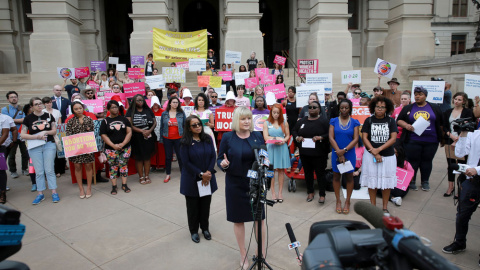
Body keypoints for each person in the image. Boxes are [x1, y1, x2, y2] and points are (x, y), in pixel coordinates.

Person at [217, 106, 265, 269]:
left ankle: (260, 252)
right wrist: (223, 164)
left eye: (248, 118)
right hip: (235, 184)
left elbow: (264, 158)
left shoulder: (257, 135)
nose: (246, 121)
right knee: (238, 220)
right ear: (236, 120)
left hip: (255, 184)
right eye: (243, 118)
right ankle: (243, 253)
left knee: (259, 218)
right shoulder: (228, 137)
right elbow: (219, 159)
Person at [441, 125, 480, 259]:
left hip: (476, 174)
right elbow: (459, 153)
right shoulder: (474, 134)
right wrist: (463, 134)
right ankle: (459, 242)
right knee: (462, 215)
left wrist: (478, 170)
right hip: (472, 182)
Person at [397, 86, 444, 191]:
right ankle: (412, 180)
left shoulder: (434, 107)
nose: (417, 97)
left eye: (420, 95)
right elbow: (399, 120)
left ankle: (425, 181)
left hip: (431, 140)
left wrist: (442, 138)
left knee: (427, 161)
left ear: (425, 96)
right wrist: (406, 126)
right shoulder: (408, 108)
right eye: (416, 95)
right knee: (412, 161)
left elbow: (440, 123)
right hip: (413, 140)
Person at [179, 115, 217, 243]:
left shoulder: (207, 139)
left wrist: (208, 172)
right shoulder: (185, 142)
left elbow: (213, 156)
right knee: (193, 207)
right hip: (192, 179)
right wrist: (201, 174)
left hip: (207, 177)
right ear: (189, 128)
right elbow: (186, 162)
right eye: (194, 125)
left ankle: (205, 228)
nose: (198, 127)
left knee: (205, 205)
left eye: (199, 124)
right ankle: (194, 231)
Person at [360, 96, 397, 213]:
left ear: (387, 109)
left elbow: (393, 138)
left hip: (388, 156)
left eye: (382, 107)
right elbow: (364, 137)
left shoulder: (391, 121)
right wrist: (374, 151)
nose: (380, 109)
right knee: (372, 182)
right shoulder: (368, 120)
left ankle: (385, 207)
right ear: (373, 107)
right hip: (371, 156)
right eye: (377, 107)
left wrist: (379, 149)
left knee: (386, 183)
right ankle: (373, 207)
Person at [21, 97, 60, 204]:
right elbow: (23, 134)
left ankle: (54, 192)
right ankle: (40, 194)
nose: (39, 105)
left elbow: (54, 131)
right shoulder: (28, 118)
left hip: (48, 144)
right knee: (39, 171)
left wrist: (45, 132)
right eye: (36, 104)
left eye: (40, 103)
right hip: (35, 146)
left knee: (49, 169)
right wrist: (37, 137)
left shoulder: (48, 115)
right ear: (32, 106)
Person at [292, 101, 330, 203]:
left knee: (320, 174)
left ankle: (322, 194)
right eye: (310, 107)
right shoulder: (302, 121)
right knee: (308, 174)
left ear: (319, 110)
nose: (312, 109)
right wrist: (297, 137)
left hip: (319, 154)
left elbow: (330, 134)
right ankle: (310, 192)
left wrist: (321, 137)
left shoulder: (324, 121)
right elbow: (294, 130)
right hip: (305, 154)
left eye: (314, 107)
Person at [329, 99, 360, 214]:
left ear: (350, 109)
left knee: (349, 177)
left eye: (346, 108)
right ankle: (338, 200)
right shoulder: (333, 121)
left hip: (349, 153)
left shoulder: (355, 122)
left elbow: (356, 138)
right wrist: (338, 151)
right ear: (339, 108)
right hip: (336, 152)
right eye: (342, 107)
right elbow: (331, 137)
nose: (344, 110)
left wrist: (345, 150)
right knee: (336, 176)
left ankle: (347, 201)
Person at [442, 92, 473, 197]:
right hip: (450, 140)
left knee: (461, 165)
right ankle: (450, 187)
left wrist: (459, 138)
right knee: (450, 165)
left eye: (459, 100)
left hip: (463, 141)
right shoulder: (448, 112)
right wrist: (451, 136)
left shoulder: (468, 112)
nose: (457, 101)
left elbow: (469, 126)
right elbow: (445, 126)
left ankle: (461, 187)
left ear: (464, 101)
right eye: (455, 99)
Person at [100, 100, 133, 195]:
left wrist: (123, 144)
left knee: (124, 166)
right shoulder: (105, 121)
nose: (115, 109)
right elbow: (103, 135)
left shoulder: (124, 119)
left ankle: (124, 184)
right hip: (111, 149)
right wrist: (113, 145)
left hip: (125, 147)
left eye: (116, 107)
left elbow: (129, 132)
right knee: (113, 167)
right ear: (108, 109)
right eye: (113, 107)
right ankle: (114, 186)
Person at [66, 101, 95, 199]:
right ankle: (81, 189)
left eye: (80, 108)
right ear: (73, 110)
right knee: (77, 167)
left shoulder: (89, 119)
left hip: (87, 148)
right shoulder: (70, 121)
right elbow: (68, 136)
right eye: (76, 109)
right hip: (76, 150)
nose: (79, 110)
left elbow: (92, 133)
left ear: (83, 108)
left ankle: (89, 188)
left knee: (88, 166)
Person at [126, 94, 157, 185]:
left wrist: (149, 131)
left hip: (148, 136)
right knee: (139, 158)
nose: (140, 102)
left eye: (142, 100)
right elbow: (129, 124)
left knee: (147, 157)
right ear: (134, 101)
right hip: (136, 138)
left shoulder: (148, 110)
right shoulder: (130, 111)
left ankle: (147, 175)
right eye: (138, 100)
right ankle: (141, 176)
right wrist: (141, 131)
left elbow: (154, 122)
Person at [263, 104, 290, 202]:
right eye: (274, 112)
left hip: (281, 147)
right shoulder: (267, 123)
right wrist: (275, 138)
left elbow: (287, 135)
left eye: (278, 113)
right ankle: (273, 192)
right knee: (272, 171)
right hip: (271, 148)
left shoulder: (284, 122)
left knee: (281, 170)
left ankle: (280, 193)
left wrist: (284, 140)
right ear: (271, 112)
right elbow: (266, 137)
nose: (276, 114)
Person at [159, 97, 186, 183]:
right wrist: (161, 138)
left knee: (180, 156)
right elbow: (162, 127)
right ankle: (168, 174)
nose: (175, 104)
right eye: (173, 102)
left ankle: (183, 174)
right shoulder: (164, 114)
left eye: (177, 102)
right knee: (168, 157)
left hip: (179, 138)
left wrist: (185, 137)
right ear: (169, 103)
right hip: (167, 138)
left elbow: (185, 126)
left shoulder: (181, 113)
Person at [2, 91, 28, 178]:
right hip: (10, 136)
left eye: (15, 97)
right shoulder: (5, 109)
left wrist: (13, 120)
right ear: (8, 99)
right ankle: (13, 171)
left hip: (21, 134)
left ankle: (24, 169)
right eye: (11, 97)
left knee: (24, 153)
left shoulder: (21, 108)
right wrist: (19, 120)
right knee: (11, 155)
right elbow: (6, 121)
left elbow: (24, 119)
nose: (14, 98)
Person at [42, 97, 63, 177]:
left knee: (57, 153)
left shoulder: (57, 112)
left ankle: (57, 170)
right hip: (46, 134)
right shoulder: (43, 112)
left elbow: (59, 123)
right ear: (44, 104)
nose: (49, 104)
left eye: (50, 102)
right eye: (47, 103)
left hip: (56, 134)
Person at [0, 112, 12, 203]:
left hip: (1, 147)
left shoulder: (4, 118)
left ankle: (2, 193)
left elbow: (5, 134)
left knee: (1, 170)